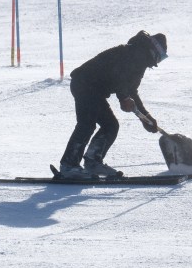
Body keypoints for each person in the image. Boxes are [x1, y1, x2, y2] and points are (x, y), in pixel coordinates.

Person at [57, 30, 168, 179]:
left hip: (94, 90)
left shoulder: (140, 58)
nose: (158, 62)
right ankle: (69, 165)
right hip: (85, 85)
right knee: (86, 124)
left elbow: (132, 91)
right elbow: (118, 75)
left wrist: (145, 116)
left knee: (110, 125)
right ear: (154, 50)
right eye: (160, 57)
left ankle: (93, 161)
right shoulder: (135, 54)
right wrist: (124, 98)